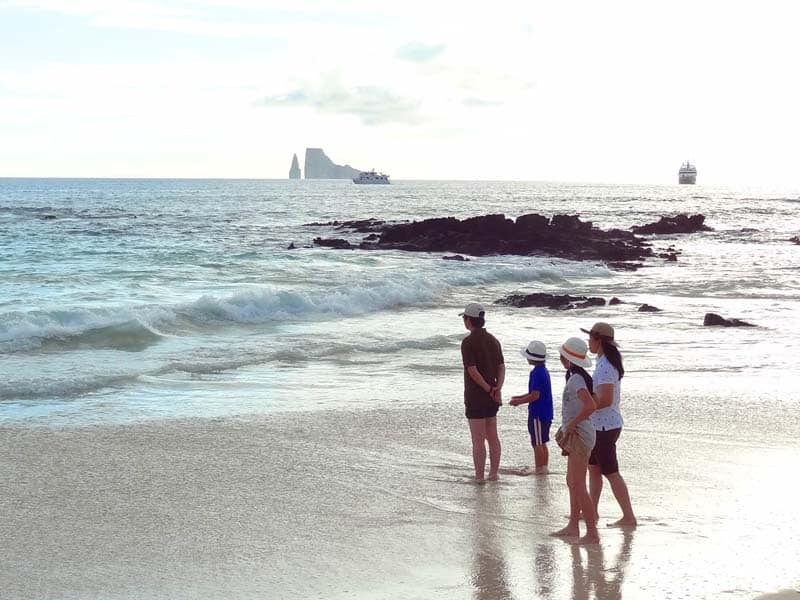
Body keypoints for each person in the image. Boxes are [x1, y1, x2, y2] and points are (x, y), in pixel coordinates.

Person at [581, 322, 637, 528]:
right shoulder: (603, 361)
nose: (588, 342)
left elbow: (605, 399)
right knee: (593, 469)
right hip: (601, 425)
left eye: (591, 338)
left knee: (611, 472)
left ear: (599, 340)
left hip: (605, 427)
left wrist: (585, 407)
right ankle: (592, 511)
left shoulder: (605, 366)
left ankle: (629, 516)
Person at [551, 336, 598, 544]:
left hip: (581, 434)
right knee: (572, 482)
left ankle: (592, 533)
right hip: (578, 433)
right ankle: (573, 526)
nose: (560, 357)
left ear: (567, 357)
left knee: (578, 484)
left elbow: (590, 406)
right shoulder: (574, 375)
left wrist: (571, 425)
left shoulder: (577, 378)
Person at [459, 302, 505, 483]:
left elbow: (472, 370)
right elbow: (501, 367)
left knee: (478, 439)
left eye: (464, 318)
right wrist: (497, 388)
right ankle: (493, 473)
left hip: (476, 396)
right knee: (492, 435)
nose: (464, 320)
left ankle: (479, 477)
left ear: (469, 320)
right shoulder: (493, 340)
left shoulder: (468, 342)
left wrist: (487, 389)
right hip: (493, 395)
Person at [510, 340, 553, 474]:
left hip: (537, 414)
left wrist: (519, 402)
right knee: (542, 441)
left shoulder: (536, 373)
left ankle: (539, 469)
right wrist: (519, 397)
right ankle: (543, 467)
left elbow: (535, 396)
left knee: (537, 443)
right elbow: (535, 393)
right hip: (546, 412)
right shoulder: (544, 371)